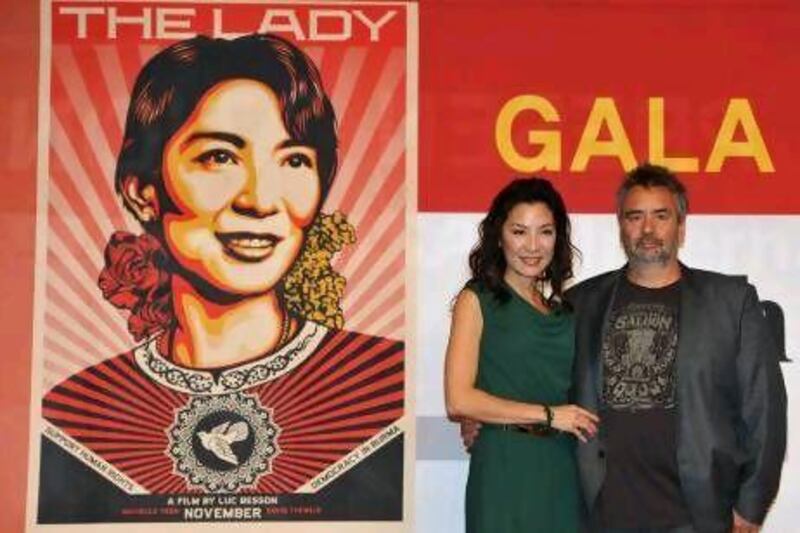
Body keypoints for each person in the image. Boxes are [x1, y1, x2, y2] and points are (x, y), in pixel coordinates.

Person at [39, 34, 404, 514]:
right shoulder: (74, 417)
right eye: (220, 157)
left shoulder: (384, 386)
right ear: (141, 191)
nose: (260, 199)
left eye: (294, 160)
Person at [568, 164, 786, 533]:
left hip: (697, 516)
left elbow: (765, 408)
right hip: (604, 515)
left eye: (661, 216)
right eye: (635, 216)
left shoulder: (731, 303)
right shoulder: (580, 303)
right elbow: (542, 380)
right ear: (621, 226)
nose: (648, 229)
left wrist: (751, 508)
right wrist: (490, 418)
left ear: (681, 227)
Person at [444, 177, 599, 533]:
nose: (532, 246)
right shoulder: (477, 299)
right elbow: (458, 399)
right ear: (499, 236)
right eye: (519, 231)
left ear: (557, 237)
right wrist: (547, 416)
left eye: (544, 232)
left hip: (563, 469)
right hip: (504, 469)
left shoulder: (565, 313)